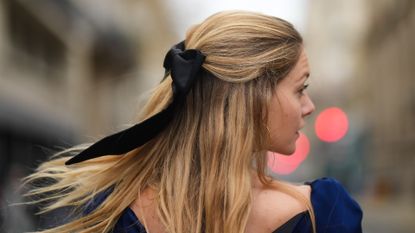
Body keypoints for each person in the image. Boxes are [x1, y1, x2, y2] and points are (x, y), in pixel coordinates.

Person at [23, 10, 363, 233]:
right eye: (300, 89)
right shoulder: (325, 213)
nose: (310, 105)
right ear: (254, 96)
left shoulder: (109, 210)